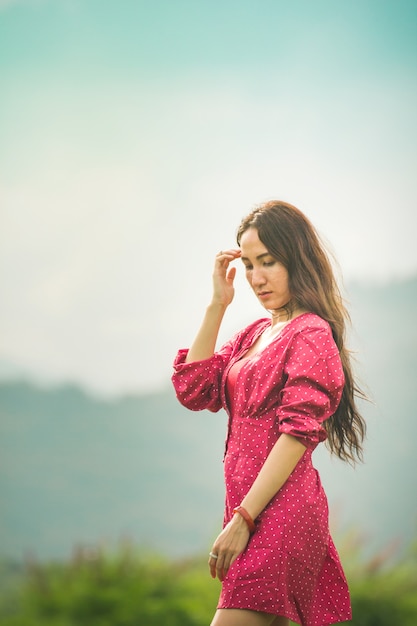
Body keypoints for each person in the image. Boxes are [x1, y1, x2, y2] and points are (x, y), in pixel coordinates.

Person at [171, 200, 366, 626]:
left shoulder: (310, 332)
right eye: (249, 265)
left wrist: (244, 518)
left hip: (280, 514)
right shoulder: (257, 333)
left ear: (296, 259)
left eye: (269, 262)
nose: (257, 278)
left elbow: (297, 433)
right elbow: (194, 388)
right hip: (249, 512)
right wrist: (217, 305)